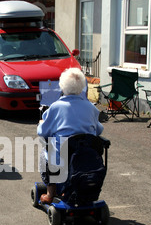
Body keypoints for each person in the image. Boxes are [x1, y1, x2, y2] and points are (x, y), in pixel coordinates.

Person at [37, 67, 104, 204]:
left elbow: (43, 132)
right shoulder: (91, 108)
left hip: (62, 157)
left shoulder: (56, 107)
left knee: (45, 154)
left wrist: (41, 123)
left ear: (62, 87)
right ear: (82, 87)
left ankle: (50, 193)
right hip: (87, 157)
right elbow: (98, 130)